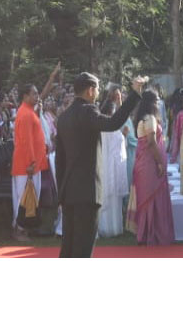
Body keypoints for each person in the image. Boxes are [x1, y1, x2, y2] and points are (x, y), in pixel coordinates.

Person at [49, 71, 144, 257]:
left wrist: (61, 194)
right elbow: (113, 123)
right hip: (87, 192)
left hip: (69, 192)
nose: (99, 93)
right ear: (90, 90)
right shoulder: (88, 111)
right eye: (98, 89)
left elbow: (60, 160)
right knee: (83, 249)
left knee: (68, 248)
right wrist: (134, 94)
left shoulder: (64, 117)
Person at [128, 89, 175, 246]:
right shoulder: (150, 119)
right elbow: (151, 142)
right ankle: (151, 233)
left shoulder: (144, 118)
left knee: (149, 197)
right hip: (149, 164)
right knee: (151, 197)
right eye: (157, 100)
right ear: (152, 103)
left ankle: (147, 233)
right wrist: (160, 162)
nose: (159, 103)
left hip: (144, 162)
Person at [11, 81, 49, 243]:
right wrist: (31, 162)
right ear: (25, 96)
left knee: (31, 197)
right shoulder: (25, 113)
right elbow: (26, 142)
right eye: (34, 93)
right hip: (27, 165)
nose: (37, 96)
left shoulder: (29, 111)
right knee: (23, 198)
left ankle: (25, 227)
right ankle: (19, 229)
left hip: (33, 164)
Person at [96, 87, 131, 237]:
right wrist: (124, 135)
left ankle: (104, 226)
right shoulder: (112, 127)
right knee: (112, 197)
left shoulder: (99, 128)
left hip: (103, 165)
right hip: (111, 165)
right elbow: (119, 144)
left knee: (105, 196)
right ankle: (111, 228)